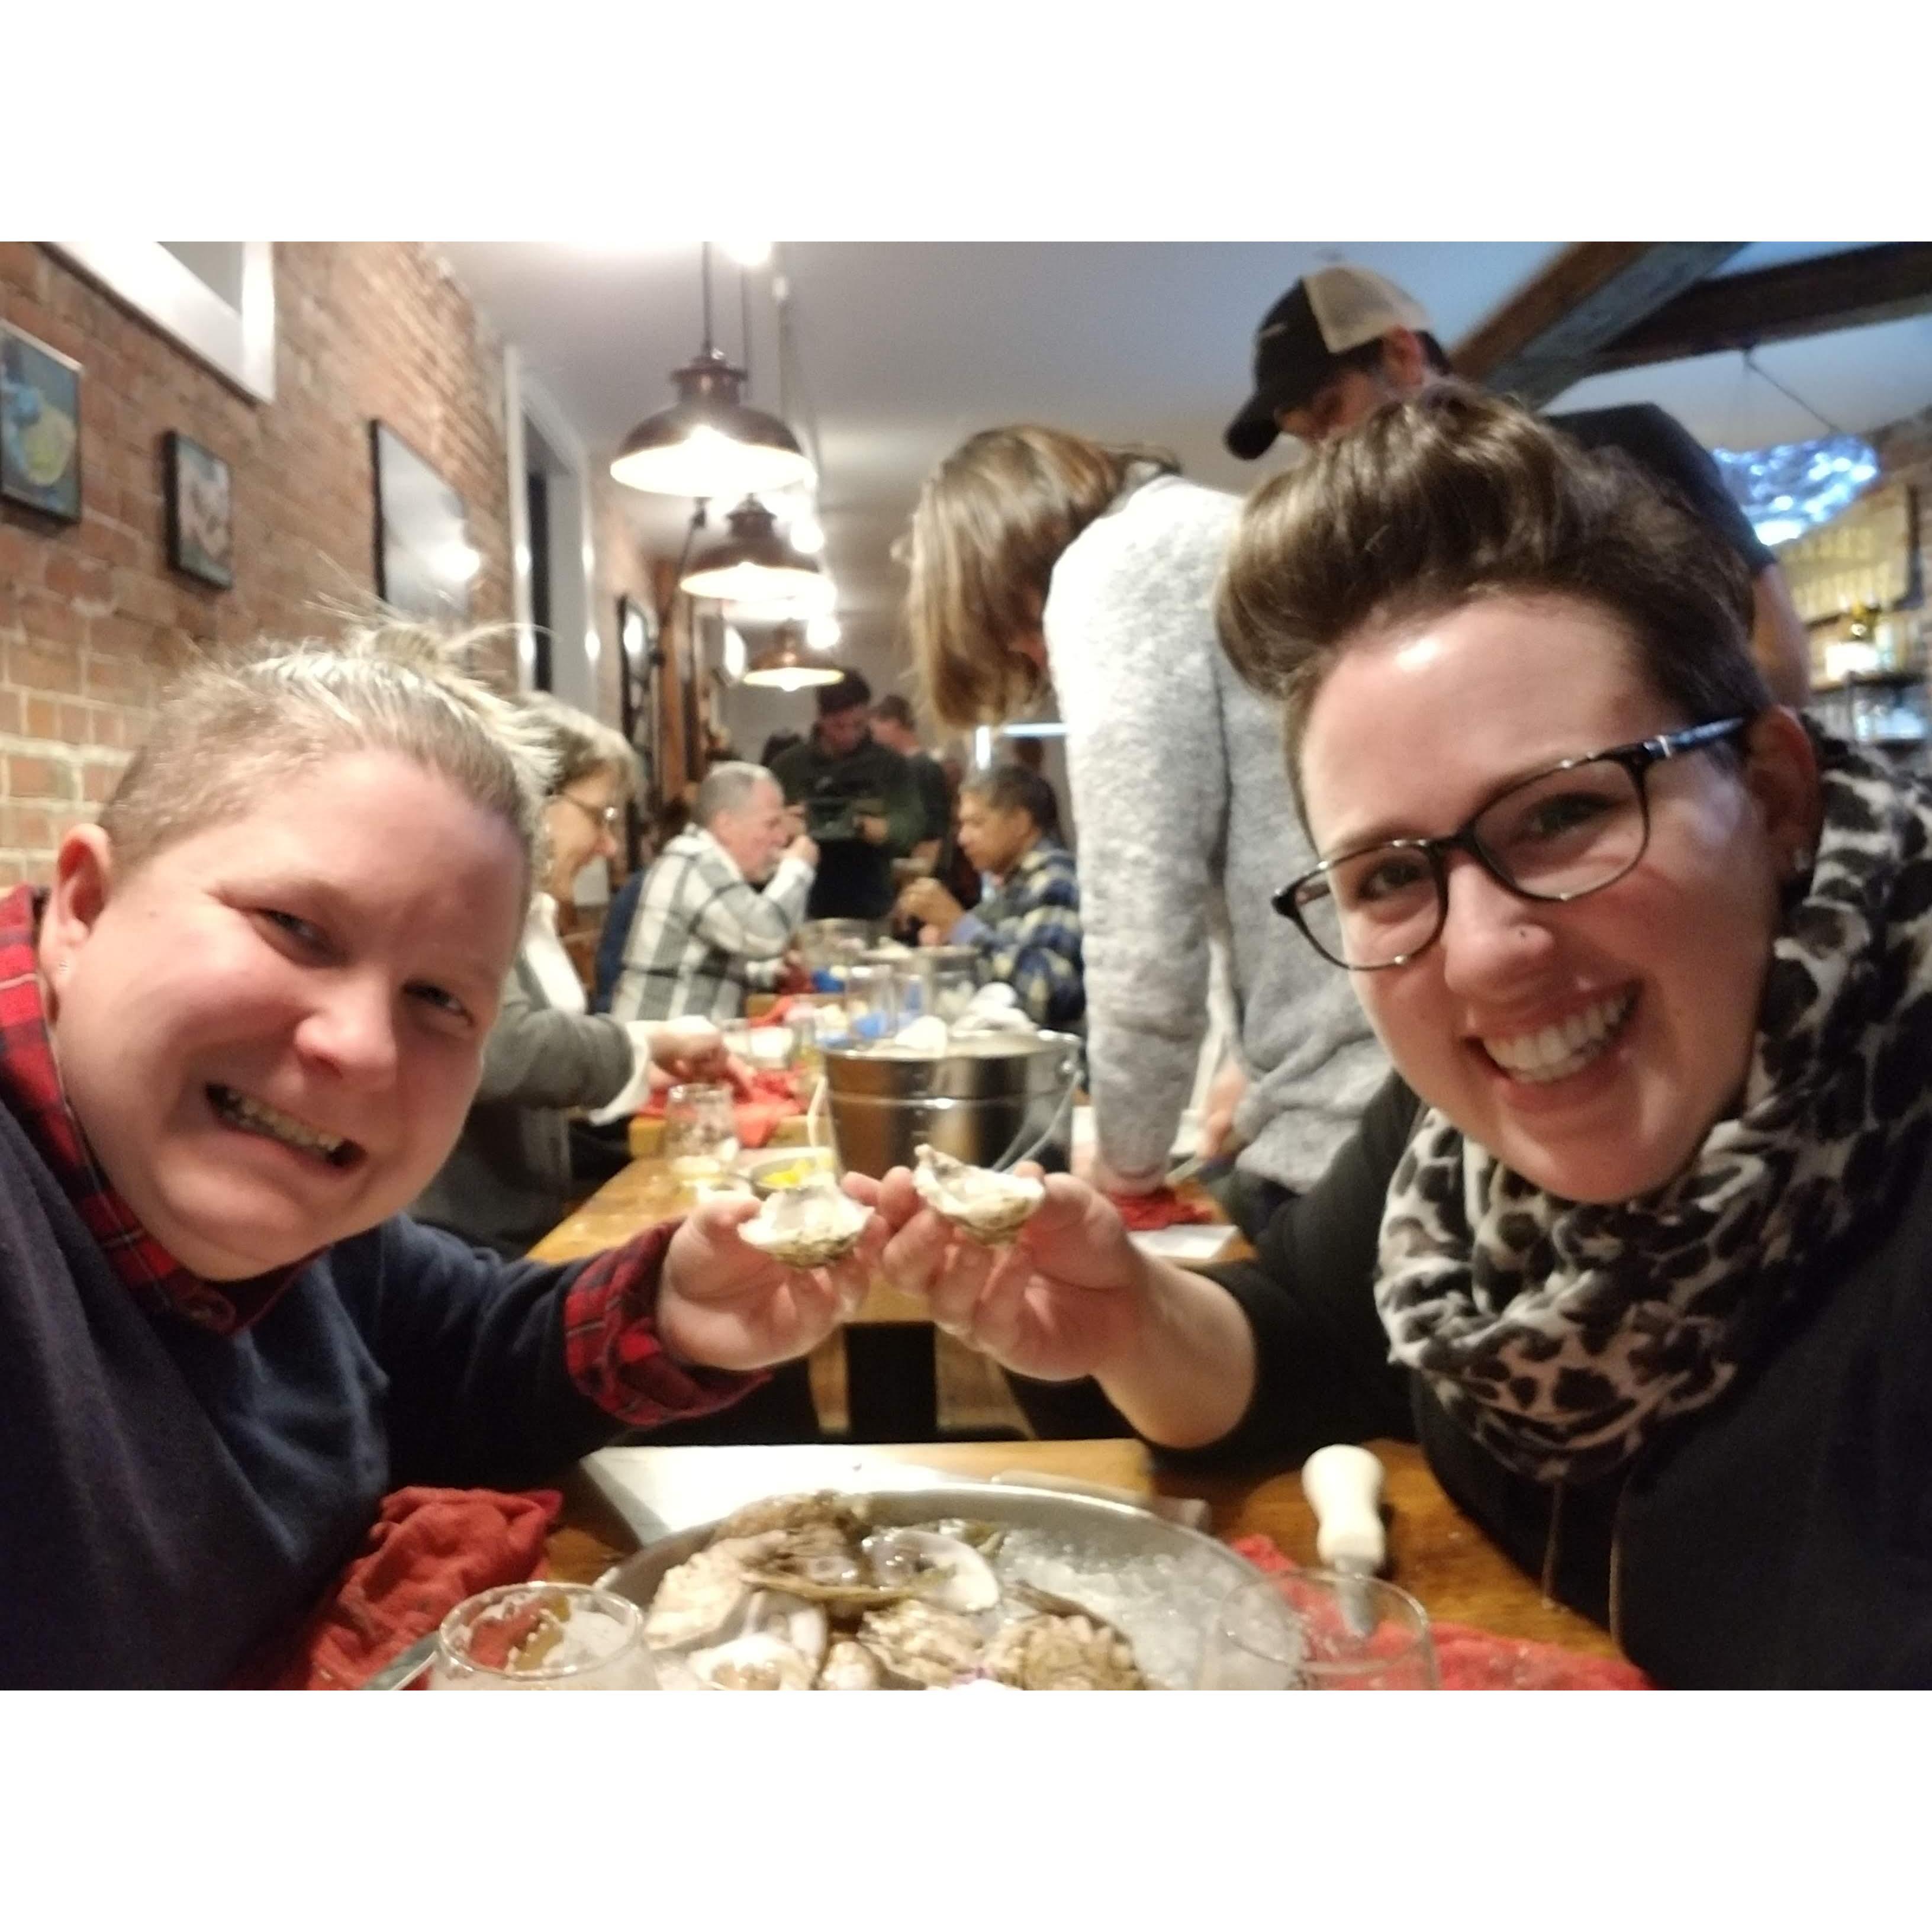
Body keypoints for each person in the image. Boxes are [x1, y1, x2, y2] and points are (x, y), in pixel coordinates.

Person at [859, 388, 1932, 1688]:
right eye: (1386, 876)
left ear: (1770, 794)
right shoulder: (1451, 1158)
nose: (1478, 952)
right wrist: (1128, 1313)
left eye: (1562, 814)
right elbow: (1297, 1341)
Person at [4, 623, 883, 1686]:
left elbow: (463, 1348)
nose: (362, 1048)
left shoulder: (320, 1232)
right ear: (86, 909)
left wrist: (672, 1309)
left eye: (438, 998)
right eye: (294, 926)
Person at [901, 424, 1387, 1237]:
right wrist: (1245, 1059)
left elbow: (1141, 906)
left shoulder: (1115, 566)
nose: (1036, 656)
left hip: (1352, 1119)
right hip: (1384, 1076)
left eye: (1017, 636)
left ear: (1002, 573)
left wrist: (1125, 1166)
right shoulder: (1204, 527)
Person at [1222, 262, 1814, 708]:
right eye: (1307, 437)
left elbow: (1777, 661)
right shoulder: (1379, 556)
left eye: (1331, 409)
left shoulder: (1626, 448)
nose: (1327, 450)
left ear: (1402, 355)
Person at [411, 694, 724, 1258]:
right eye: (599, 816)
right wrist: (646, 1044)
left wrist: (637, 1096)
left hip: (508, 1232)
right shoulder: (461, 908)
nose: (609, 844)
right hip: (451, 1248)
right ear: (532, 800)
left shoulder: (524, 913)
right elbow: (503, 1048)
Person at [608, 761, 815, 1026]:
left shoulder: (700, 860)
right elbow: (765, 935)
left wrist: (772, 972)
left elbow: (700, 966)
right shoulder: (695, 860)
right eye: (771, 824)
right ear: (726, 825)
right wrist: (798, 867)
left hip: (676, 1043)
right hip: (661, 1047)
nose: (782, 838)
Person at [899, 762, 1085, 1032]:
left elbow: (1049, 993)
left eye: (976, 823)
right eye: (961, 825)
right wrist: (950, 940)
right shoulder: (1013, 884)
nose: (962, 838)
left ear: (1020, 823)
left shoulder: (1054, 877)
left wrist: (958, 925)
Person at [769, 670, 922, 921]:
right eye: (838, 726)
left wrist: (858, 824)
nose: (849, 735)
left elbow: (910, 828)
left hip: (871, 903)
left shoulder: (889, 765)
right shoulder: (788, 767)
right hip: (802, 904)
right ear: (820, 717)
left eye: (858, 725)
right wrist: (784, 825)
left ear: (868, 715)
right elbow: (761, 831)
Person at [869, 693, 952, 874]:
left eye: (875, 731)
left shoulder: (923, 768)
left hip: (915, 872)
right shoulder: (902, 768)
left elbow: (932, 833)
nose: (873, 739)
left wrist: (916, 876)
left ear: (893, 724)